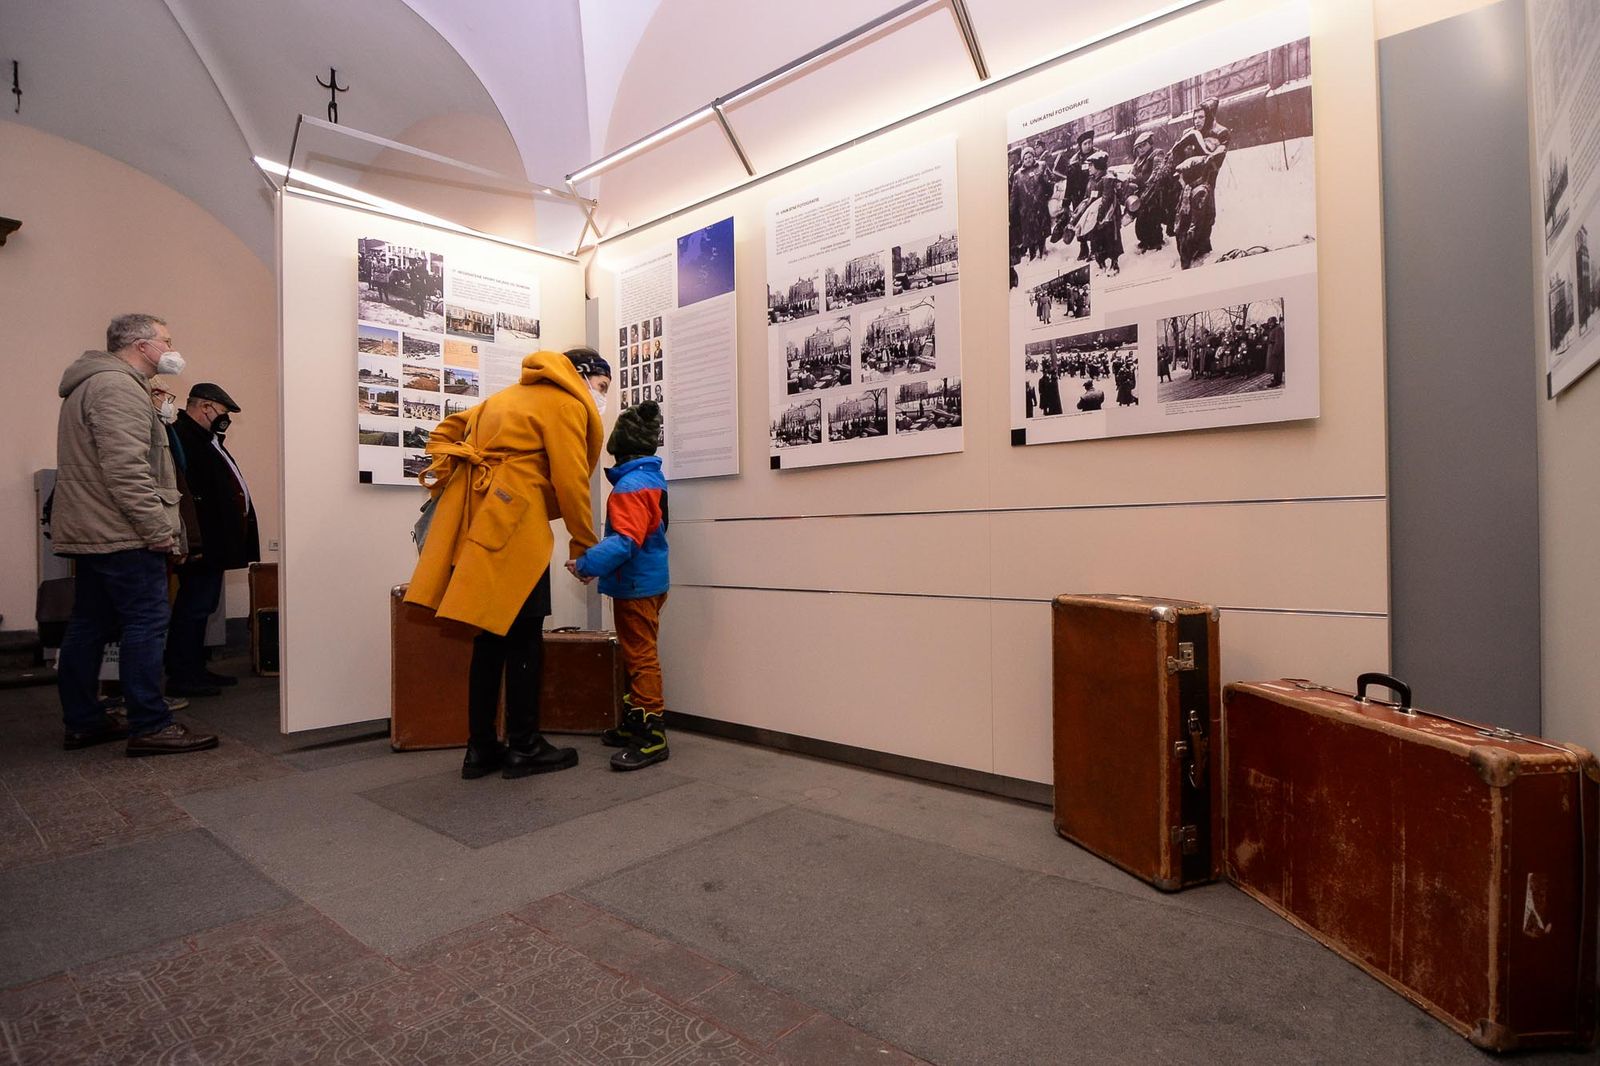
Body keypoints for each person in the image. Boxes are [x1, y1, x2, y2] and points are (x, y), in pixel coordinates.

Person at [406, 347, 607, 780]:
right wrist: (583, 544)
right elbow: (572, 479)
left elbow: (443, 433)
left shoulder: (502, 398)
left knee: (489, 636)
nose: (601, 396)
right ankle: (525, 746)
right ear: (580, 375)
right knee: (526, 637)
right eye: (601, 386)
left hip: (480, 522)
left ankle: (480, 748)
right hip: (518, 525)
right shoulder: (565, 404)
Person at [53, 314, 218, 755]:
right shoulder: (117, 387)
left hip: (100, 529)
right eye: (166, 340)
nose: (171, 348)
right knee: (146, 621)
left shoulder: (95, 384)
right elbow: (126, 472)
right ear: (142, 345)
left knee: (89, 623)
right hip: (123, 532)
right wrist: (158, 530)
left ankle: (84, 720)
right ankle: (150, 724)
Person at [569, 401, 671, 771]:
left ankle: (651, 735)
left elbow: (626, 540)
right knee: (636, 652)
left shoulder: (630, 486)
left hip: (635, 584)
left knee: (641, 657)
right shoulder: (652, 479)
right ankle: (635, 722)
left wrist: (586, 563)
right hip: (649, 579)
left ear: (619, 445)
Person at [166, 383, 260, 696]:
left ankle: (194, 668)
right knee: (193, 606)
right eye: (223, 412)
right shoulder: (183, 436)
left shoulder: (207, 440)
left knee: (202, 605)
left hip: (213, 541)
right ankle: (183, 674)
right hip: (201, 541)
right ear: (205, 407)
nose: (225, 419)